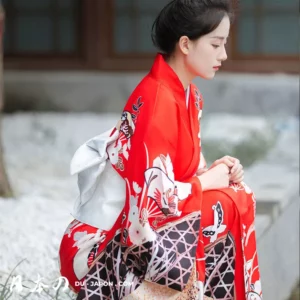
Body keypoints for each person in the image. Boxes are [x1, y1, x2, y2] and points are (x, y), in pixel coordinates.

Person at [58, 0, 263, 299]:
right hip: (108, 250)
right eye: (216, 44)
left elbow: (184, 175)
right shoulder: (157, 102)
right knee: (223, 203)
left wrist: (219, 170)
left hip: (143, 229)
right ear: (185, 44)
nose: (224, 55)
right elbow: (147, 208)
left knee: (235, 193)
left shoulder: (189, 96)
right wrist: (207, 182)